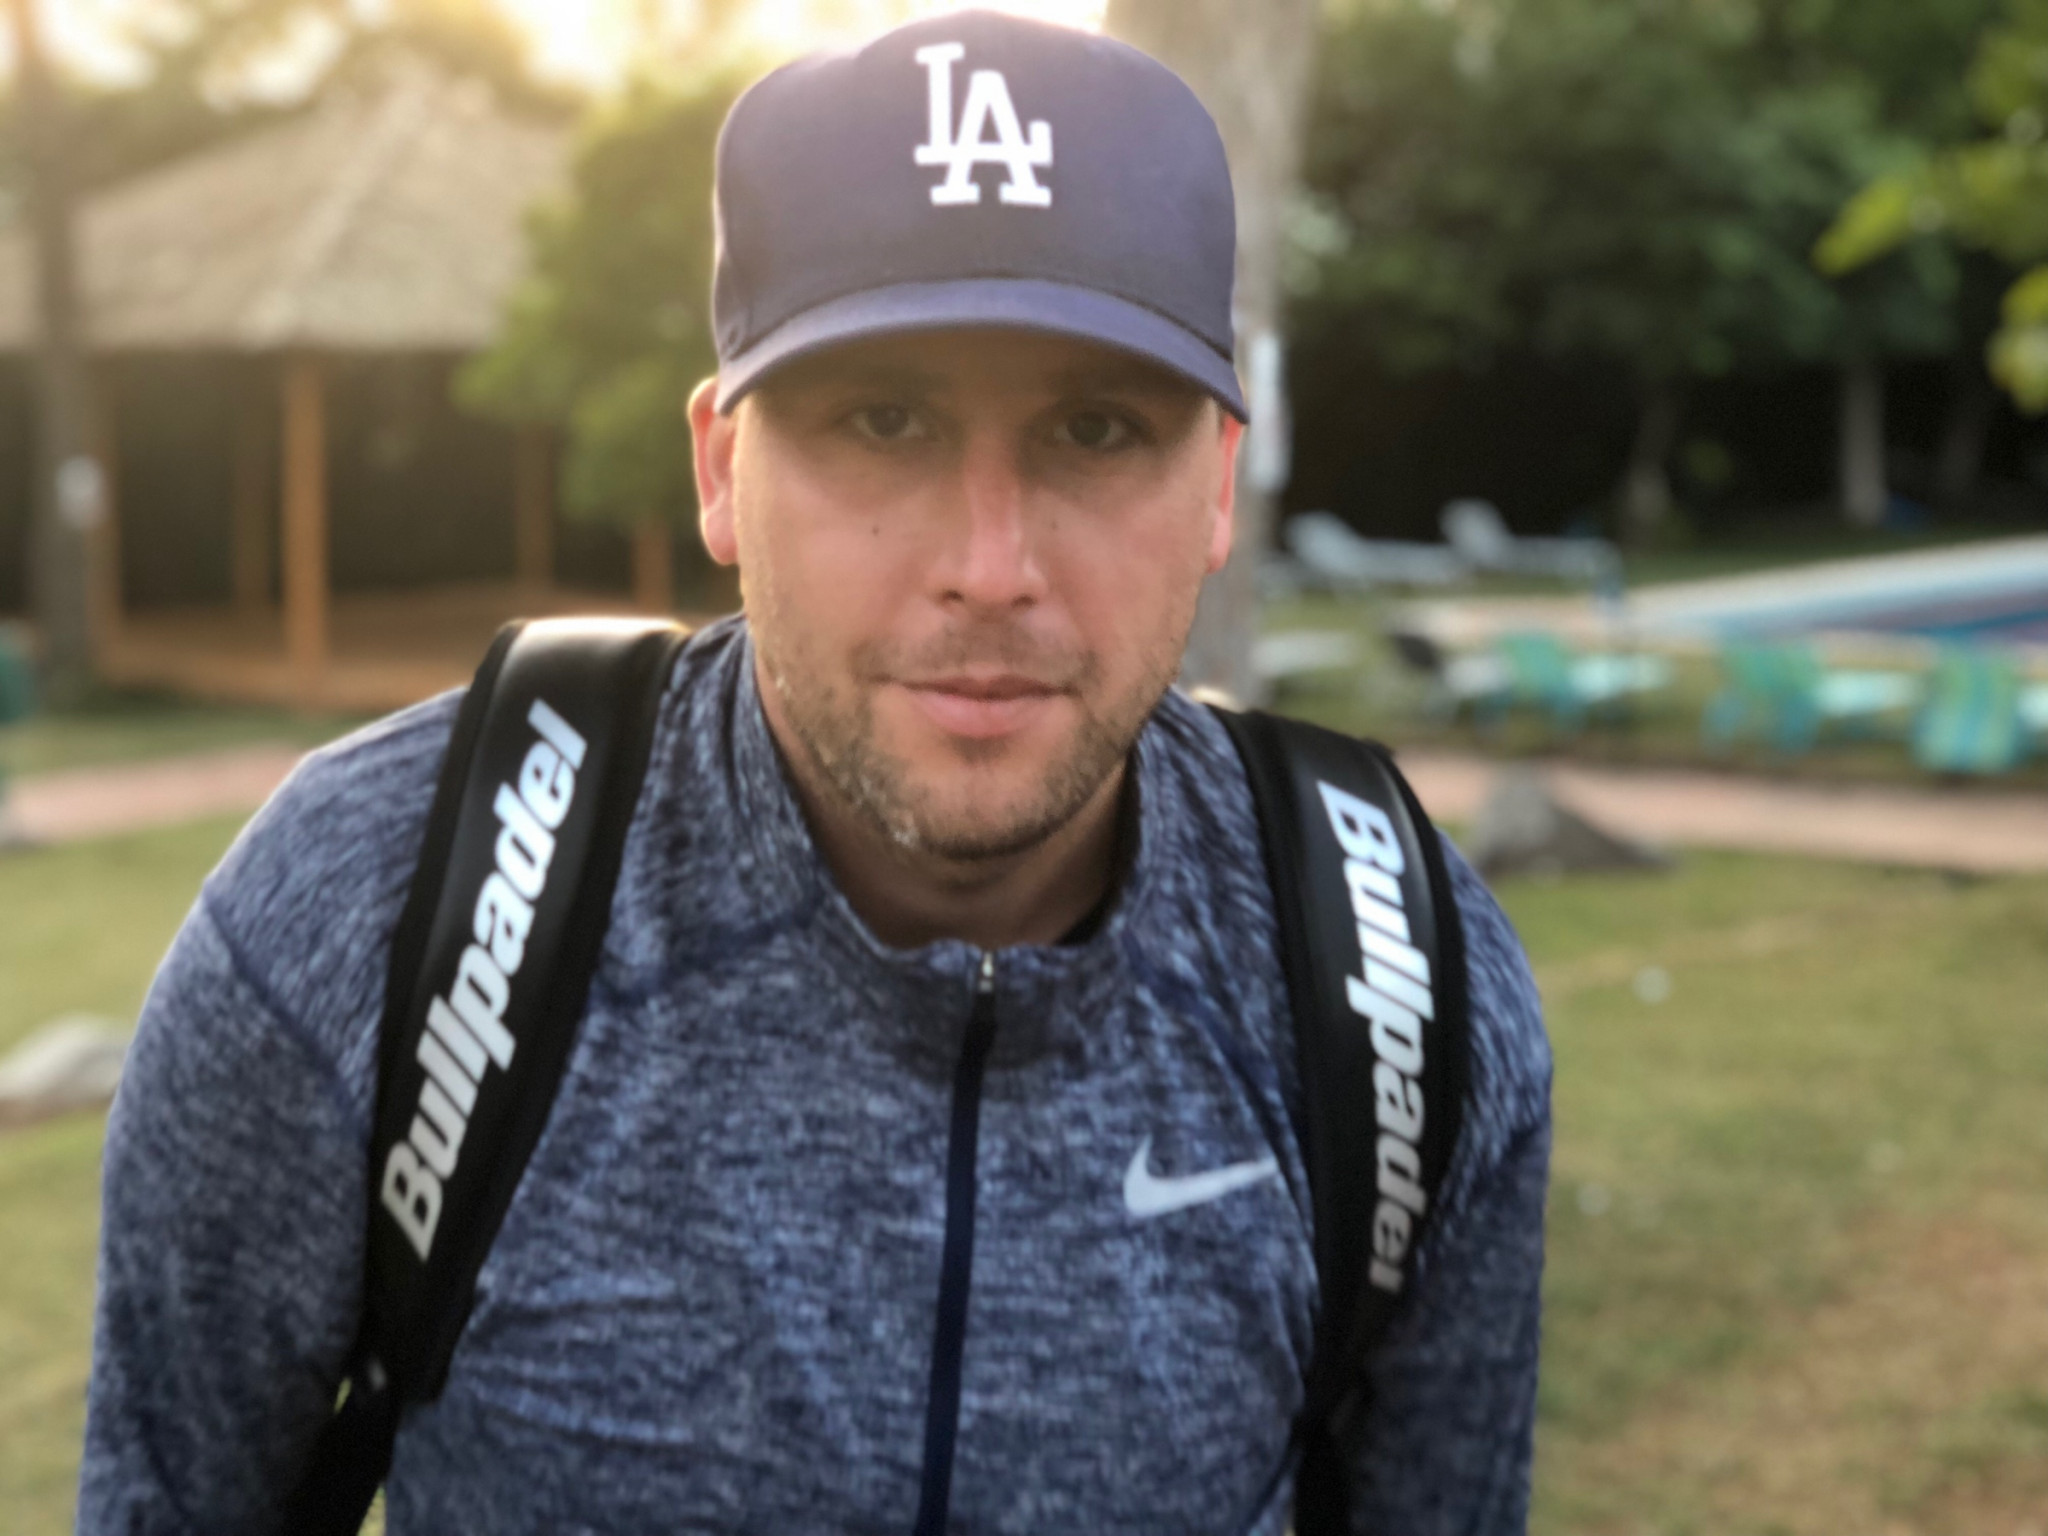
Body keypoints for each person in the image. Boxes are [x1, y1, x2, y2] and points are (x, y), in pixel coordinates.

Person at [78, 10, 1550, 1534]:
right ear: (722, 469)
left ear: (1221, 484)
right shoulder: (371, 913)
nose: (991, 566)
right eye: (883, 419)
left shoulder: (1395, 983)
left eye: (1097, 427)